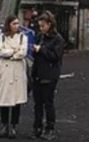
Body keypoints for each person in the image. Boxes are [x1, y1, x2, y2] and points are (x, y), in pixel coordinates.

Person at [31, 11, 65, 140]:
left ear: (50, 24)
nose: (41, 29)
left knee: (48, 103)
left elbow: (56, 57)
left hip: (49, 74)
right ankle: (37, 127)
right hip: (38, 73)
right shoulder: (40, 36)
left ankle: (49, 128)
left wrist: (41, 50)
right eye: (40, 26)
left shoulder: (58, 40)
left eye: (43, 26)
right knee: (37, 103)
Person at [0, 15, 29, 139]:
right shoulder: (2, 37)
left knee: (16, 99)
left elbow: (23, 52)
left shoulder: (22, 37)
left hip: (17, 69)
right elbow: (0, 51)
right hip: (5, 69)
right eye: (14, 23)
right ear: (8, 24)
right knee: (4, 98)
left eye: (17, 23)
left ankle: (13, 126)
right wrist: (14, 51)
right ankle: (4, 125)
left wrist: (10, 53)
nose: (17, 26)